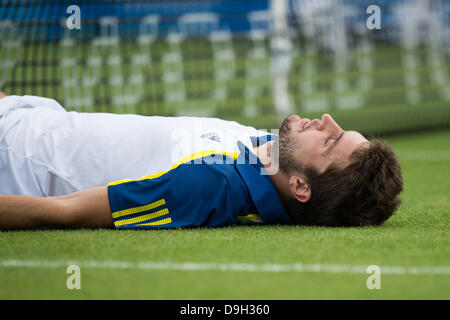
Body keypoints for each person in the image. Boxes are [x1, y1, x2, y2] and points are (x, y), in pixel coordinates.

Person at [0, 92, 403, 230]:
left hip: (13, 156)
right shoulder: (272, 155)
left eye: (330, 140)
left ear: (300, 186)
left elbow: (63, 213)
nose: (328, 120)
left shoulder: (213, 185)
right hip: (35, 115)